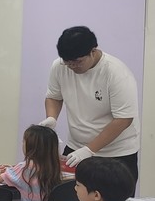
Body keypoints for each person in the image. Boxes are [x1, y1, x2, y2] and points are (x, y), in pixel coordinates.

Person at [39, 26, 139, 186]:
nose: (72, 66)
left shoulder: (116, 72)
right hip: (76, 149)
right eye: (67, 62)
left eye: (77, 62)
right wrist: (51, 118)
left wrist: (89, 150)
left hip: (115, 154)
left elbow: (123, 119)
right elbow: (54, 97)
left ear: (93, 51)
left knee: (111, 200)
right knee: (67, 196)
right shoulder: (59, 66)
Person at [0, 125, 62, 201]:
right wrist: (13, 169)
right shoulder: (53, 166)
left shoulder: (24, 168)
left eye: (23, 141)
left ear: (30, 146)